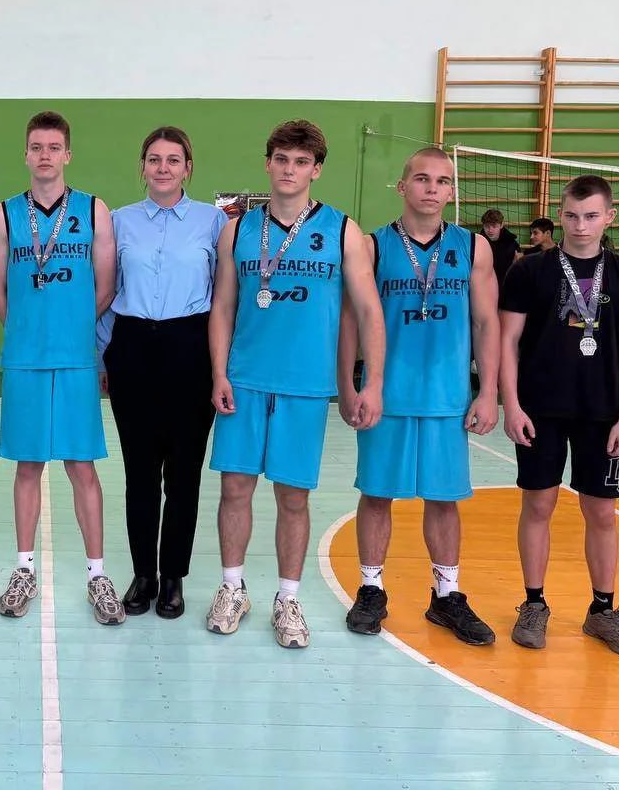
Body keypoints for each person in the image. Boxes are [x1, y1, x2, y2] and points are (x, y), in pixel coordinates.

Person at [206, 119, 385, 649]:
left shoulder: (342, 230)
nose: (289, 170)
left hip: (305, 385)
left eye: (301, 162)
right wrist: (219, 372)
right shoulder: (237, 229)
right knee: (234, 488)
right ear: (268, 163)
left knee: (292, 497)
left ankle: (287, 598)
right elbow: (223, 305)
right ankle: (232, 587)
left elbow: (369, 311)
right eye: (281, 159)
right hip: (245, 378)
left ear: (316, 170)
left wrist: (371, 383)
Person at [338, 147, 499, 644]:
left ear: (452, 191)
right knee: (376, 494)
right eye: (422, 179)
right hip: (386, 396)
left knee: (445, 499)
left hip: (448, 397)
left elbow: (486, 323)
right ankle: (371, 589)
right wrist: (350, 385)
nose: (432, 188)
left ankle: (446, 596)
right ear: (402, 186)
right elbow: (350, 321)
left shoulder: (474, 247)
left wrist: (488, 391)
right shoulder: (373, 246)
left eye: (442, 181)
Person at [0, 110, 125, 626]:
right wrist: (29, 329)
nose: (44, 155)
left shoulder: (93, 210)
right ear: (26, 154)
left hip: (75, 360)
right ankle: (24, 570)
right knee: (27, 466)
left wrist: (68, 328)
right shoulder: (5, 214)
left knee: (81, 467)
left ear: (67, 154)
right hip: (25, 359)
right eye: (36, 147)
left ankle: (97, 575)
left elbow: (105, 287)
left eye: (53, 147)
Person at [501, 175, 619, 658]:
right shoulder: (528, 271)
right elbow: (507, 342)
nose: (580, 225)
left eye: (591, 216)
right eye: (572, 215)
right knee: (538, 505)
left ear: (610, 218)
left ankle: (602, 610)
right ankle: (533, 603)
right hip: (539, 408)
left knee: (601, 511)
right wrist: (511, 404)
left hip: (603, 412)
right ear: (560, 215)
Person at [100, 126, 227, 619]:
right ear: (143, 166)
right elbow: (107, 291)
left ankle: (173, 575)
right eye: (154, 159)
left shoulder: (214, 222)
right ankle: (143, 575)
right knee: (139, 473)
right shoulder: (118, 221)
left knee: (184, 473)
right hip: (133, 348)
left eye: (173, 160)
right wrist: (105, 355)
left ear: (187, 168)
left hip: (189, 348)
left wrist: (219, 366)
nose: (163, 168)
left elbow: (225, 298)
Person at [480, 208, 521, 284]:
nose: (490, 230)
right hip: (484, 282)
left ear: (501, 225)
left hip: (506, 282)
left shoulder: (511, 244)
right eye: (487, 226)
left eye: (494, 226)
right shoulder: (478, 243)